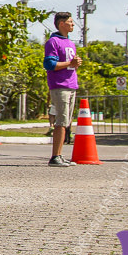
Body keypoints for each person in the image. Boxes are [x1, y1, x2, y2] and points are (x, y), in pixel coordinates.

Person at [43, 11, 82, 167]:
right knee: (61, 121)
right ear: (61, 24)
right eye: (70, 22)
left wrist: (75, 63)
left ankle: (60, 154)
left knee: (66, 121)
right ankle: (55, 157)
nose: (73, 24)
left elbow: (70, 64)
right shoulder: (53, 42)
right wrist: (70, 64)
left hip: (71, 85)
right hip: (60, 86)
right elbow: (49, 64)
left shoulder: (71, 43)